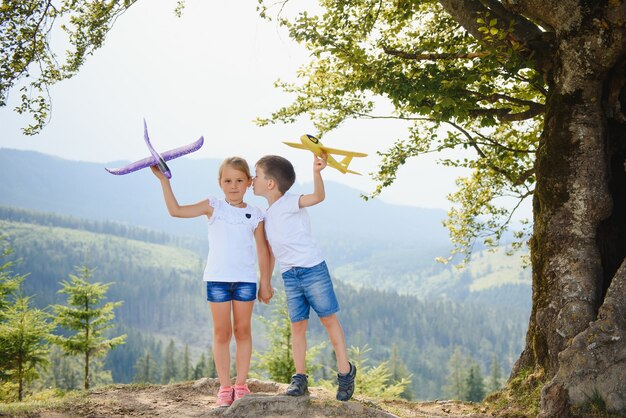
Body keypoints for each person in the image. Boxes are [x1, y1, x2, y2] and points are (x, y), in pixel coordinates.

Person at [151, 158, 273, 408]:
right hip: (217, 280)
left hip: (245, 281)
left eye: (239, 180)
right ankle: (225, 387)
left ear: (250, 182)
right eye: (228, 181)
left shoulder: (255, 214)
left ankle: (241, 385)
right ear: (220, 183)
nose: (233, 186)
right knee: (221, 332)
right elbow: (176, 211)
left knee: (242, 331)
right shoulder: (213, 206)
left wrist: (266, 282)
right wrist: (164, 181)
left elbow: (263, 251)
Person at [252, 153, 357, 401]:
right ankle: (300, 378)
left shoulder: (289, 201)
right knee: (297, 326)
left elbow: (318, 197)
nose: (251, 180)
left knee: (328, 320)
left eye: (255, 176)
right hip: (290, 276)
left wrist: (317, 172)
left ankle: (345, 371)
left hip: (312, 270)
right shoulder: (266, 215)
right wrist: (265, 282)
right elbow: (272, 251)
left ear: (270, 184)